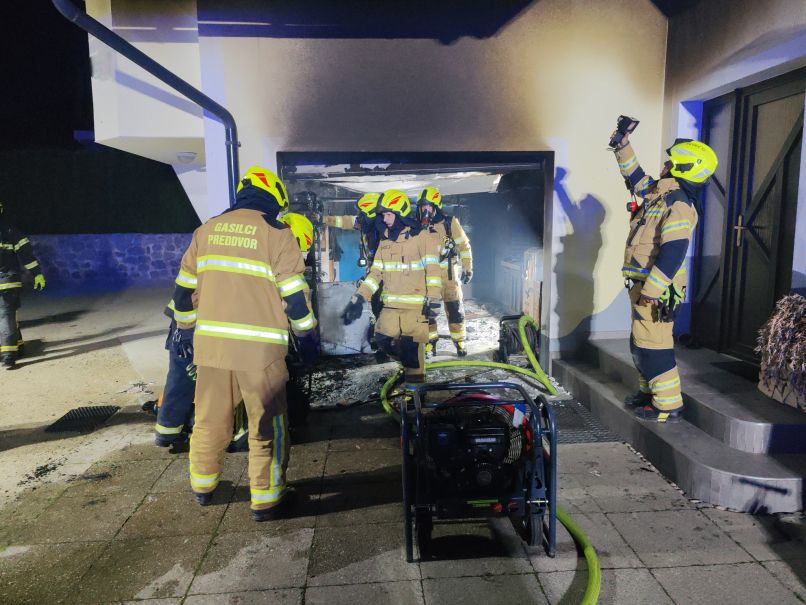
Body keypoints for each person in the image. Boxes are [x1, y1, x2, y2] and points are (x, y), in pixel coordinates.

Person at [171, 166, 319, 520]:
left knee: (209, 419)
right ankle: (267, 498)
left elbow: (183, 292)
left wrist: (186, 330)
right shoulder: (277, 233)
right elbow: (295, 298)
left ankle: (203, 486)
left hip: (212, 349)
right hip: (260, 354)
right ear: (275, 199)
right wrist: (306, 335)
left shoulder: (206, 230)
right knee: (268, 424)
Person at [153, 211, 315, 448]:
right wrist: (303, 332)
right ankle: (170, 432)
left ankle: (179, 429)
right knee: (186, 377)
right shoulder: (268, 247)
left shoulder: (259, 246)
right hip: (191, 320)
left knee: (199, 380)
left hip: (203, 318)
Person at [611, 130, 717, 422]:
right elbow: (636, 179)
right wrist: (622, 145)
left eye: (670, 163)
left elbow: (673, 254)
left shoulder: (678, 205)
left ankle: (667, 405)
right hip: (642, 285)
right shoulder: (662, 194)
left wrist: (652, 292)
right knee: (640, 341)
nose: (664, 166)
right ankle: (648, 392)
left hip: (655, 291)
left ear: (684, 168)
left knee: (654, 345)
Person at [341, 189, 441, 383]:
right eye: (383, 215)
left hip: (415, 308)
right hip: (391, 306)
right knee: (382, 340)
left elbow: (433, 270)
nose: (384, 219)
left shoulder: (422, 236)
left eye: (388, 214)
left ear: (400, 213)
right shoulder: (385, 240)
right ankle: (407, 367)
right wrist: (359, 297)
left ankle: (415, 393)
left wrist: (434, 298)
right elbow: (375, 273)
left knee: (412, 354)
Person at [416, 186, 473, 357]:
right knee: (428, 312)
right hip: (427, 276)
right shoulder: (417, 226)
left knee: (455, 309)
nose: (425, 210)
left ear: (436, 206)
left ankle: (459, 341)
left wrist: (468, 268)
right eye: (422, 207)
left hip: (449, 275)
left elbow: (464, 245)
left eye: (428, 206)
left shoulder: (449, 223)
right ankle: (430, 343)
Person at [0, 200, 46, 369]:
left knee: (6, 316)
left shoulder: (11, 232)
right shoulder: (11, 232)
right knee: (7, 315)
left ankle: (8, 354)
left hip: (7, 282)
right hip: (9, 281)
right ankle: (15, 348)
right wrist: (37, 273)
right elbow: (26, 256)